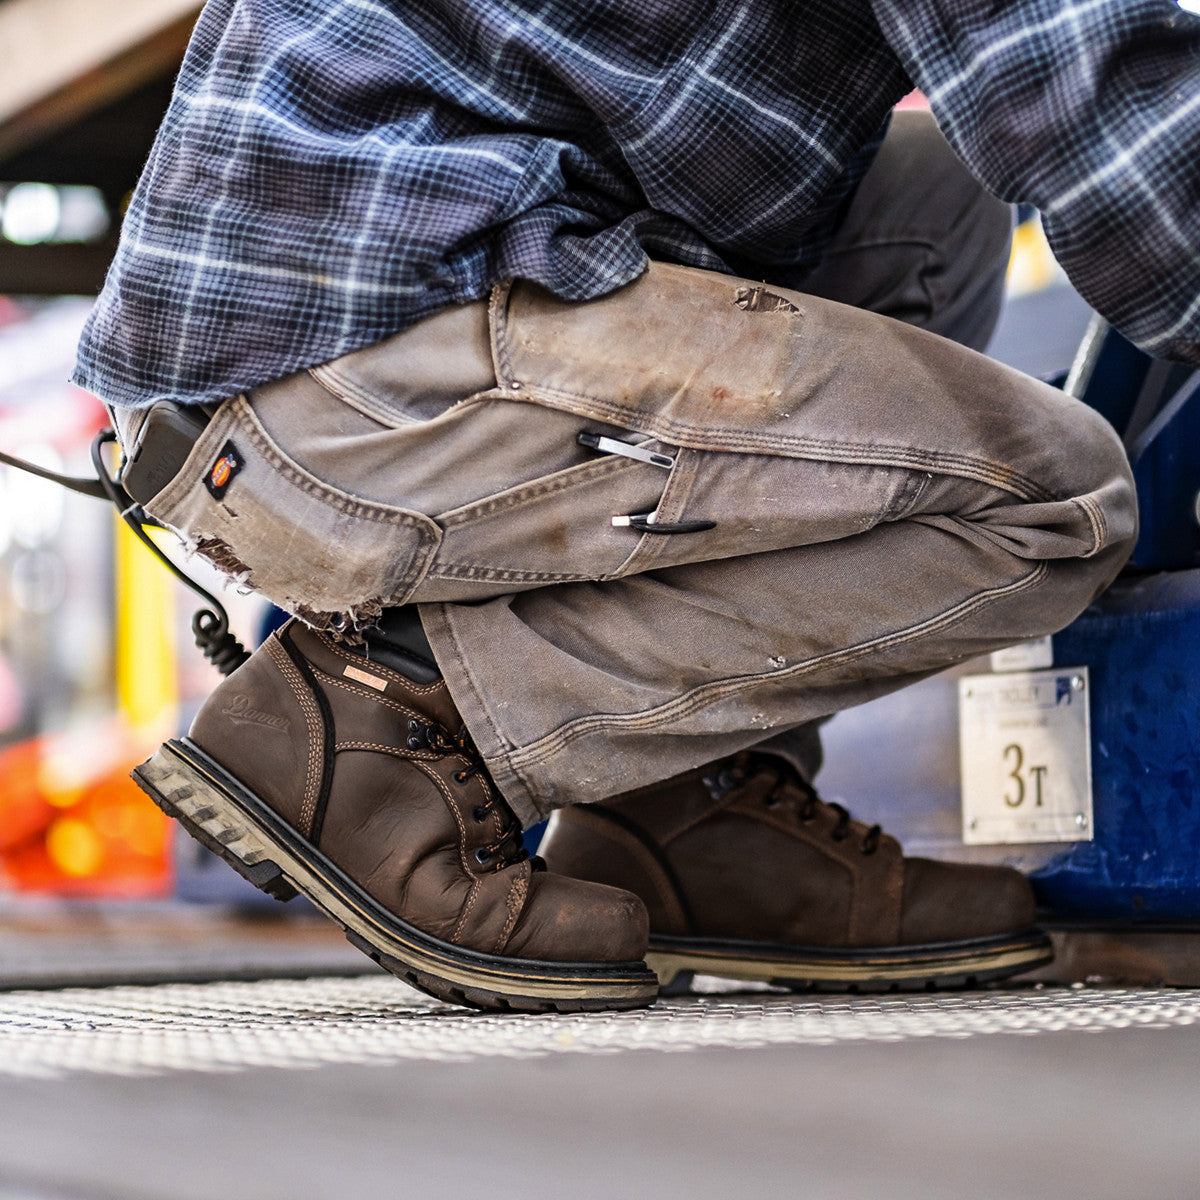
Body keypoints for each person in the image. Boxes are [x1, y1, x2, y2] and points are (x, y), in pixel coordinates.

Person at [74, 0, 1199, 1012]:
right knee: (1056, 500)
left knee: (930, 200)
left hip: (330, 313)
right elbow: (1096, 116)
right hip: (347, 365)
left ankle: (678, 801)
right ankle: (395, 709)